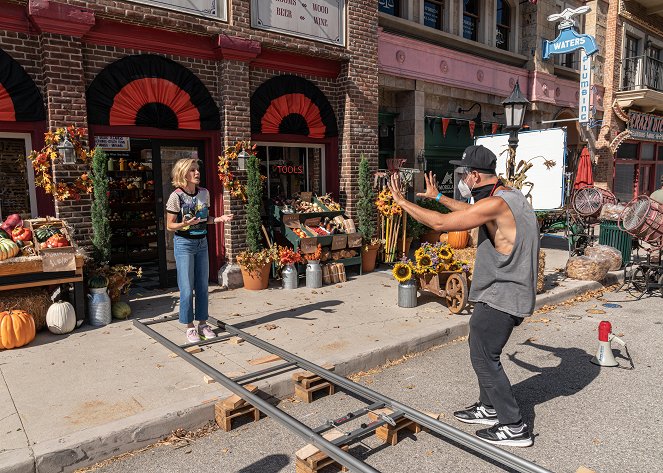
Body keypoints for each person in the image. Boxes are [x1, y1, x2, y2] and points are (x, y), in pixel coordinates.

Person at [387, 145, 538, 447]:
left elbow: (441, 224)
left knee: (484, 356)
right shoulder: (511, 196)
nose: (462, 179)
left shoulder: (497, 203)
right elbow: (471, 213)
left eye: (464, 174)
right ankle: (489, 407)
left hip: (503, 294)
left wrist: (402, 202)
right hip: (505, 291)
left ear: (472, 176)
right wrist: (439, 198)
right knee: (479, 345)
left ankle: (514, 425)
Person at [166, 158, 233, 343]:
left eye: (197, 170)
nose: (197, 173)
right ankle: (189, 327)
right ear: (183, 174)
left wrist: (218, 219)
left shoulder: (204, 193)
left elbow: (205, 219)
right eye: (192, 170)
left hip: (202, 243)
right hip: (184, 244)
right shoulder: (176, 196)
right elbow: (170, 226)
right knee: (187, 288)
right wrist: (185, 223)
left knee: (203, 287)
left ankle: (203, 323)